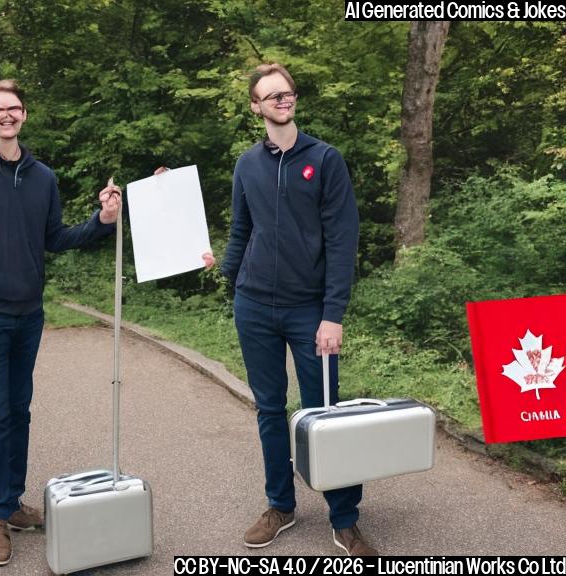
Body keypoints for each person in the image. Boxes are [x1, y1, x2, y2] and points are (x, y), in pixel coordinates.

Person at [0, 79, 120, 566]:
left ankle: (13, 501)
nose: (7, 115)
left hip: (29, 317)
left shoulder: (43, 177)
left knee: (19, 410)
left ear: (24, 115)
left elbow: (55, 238)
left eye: (14, 108)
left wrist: (102, 221)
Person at [210, 63, 374, 555]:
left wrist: (333, 314)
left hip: (310, 312)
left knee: (325, 411)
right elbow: (241, 231)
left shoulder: (325, 160)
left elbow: (343, 241)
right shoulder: (247, 165)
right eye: (272, 95)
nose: (283, 100)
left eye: (288, 93)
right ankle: (280, 506)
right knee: (268, 409)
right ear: (255, 106)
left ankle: (344, 517)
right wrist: (224, 271)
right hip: (254, 305)